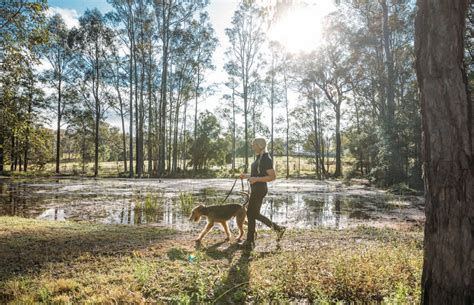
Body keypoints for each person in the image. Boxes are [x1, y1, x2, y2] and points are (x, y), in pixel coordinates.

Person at [239, 138, 285, 250]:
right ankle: (278, 229)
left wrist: (255, 179)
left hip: (260, 189)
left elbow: (272, 177)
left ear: (260, 145)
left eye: (254, 145)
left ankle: (249, 241)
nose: (252, 147)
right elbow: (257, 174)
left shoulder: (266, 158)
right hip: (256, 188)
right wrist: (247, 176)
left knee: (250, 214)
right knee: (254, 214)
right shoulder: (259, 157)